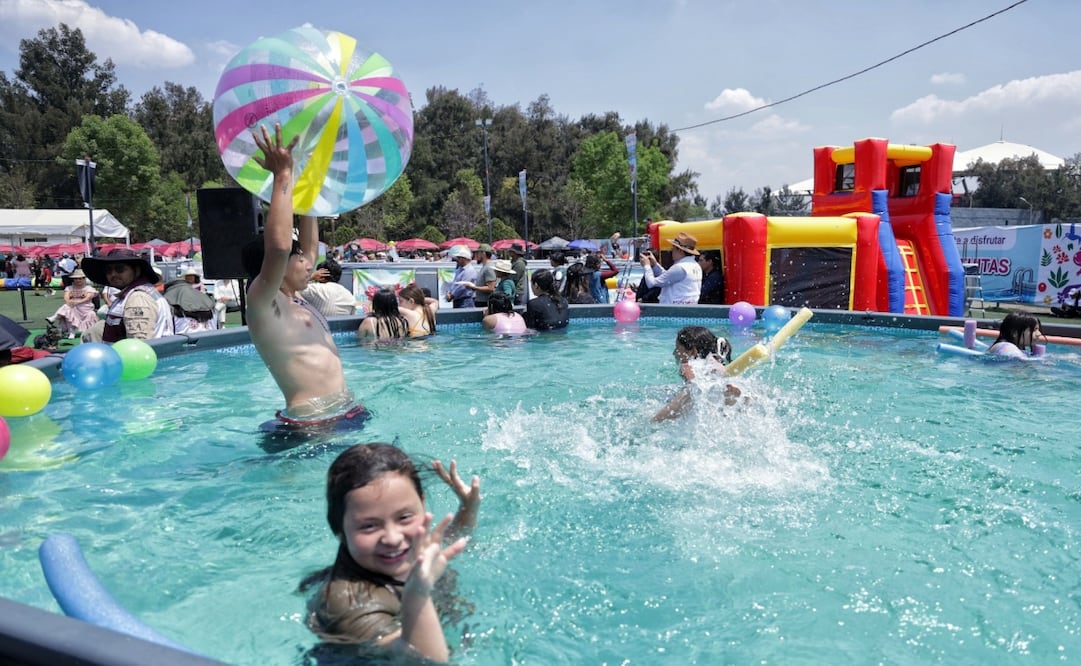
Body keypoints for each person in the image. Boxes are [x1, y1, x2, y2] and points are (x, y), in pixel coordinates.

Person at [300, 443, 480, 662]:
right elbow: (425, 660)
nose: (393, 538)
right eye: (369, 526)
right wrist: (417, 592)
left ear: (422, 503)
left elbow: (451, 546)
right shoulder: (347, 603)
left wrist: (468, 509)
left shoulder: (415, 551)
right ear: (339, 531)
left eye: (404, 517)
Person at [241, 123, 362, 430]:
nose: (308, 263)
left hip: (343, 411)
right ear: (277, 266)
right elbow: (279, 247)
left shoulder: (296, 299)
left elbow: (307, 247)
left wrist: (309, 180)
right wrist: (283, 175)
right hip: (310, 425)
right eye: (298, 259)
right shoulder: (264, 304)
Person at [80, 248, 174, 343]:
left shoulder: (138, 298)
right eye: (108, 270)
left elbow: (138, 343)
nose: (113, 274)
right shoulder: (138, 292)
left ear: (136, 270)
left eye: (119, 269)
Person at [653, 326, 741, 422]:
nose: (674, 353)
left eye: (677, 348)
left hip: (700, 391)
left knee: (656, 420)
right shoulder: (715, 362)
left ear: (692, 351)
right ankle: (729, 400)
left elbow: (693, 387)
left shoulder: (687, 366)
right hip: (721, 385)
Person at [640, 231, 703, 304]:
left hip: (674, 308)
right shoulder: (695, 265)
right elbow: (669, 276)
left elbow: (651, 283)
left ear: (679, 250)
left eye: (673, 247)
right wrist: (655, 264)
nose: (671, 250)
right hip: (688, 307)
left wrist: (647, 266)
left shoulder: (680, 267)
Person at [47, 269, 99, 339]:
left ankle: (55, 317)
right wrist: (69, 302)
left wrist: (78, 302)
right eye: (76, 279)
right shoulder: (69, 288)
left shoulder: (89, 288)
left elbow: (88, 297)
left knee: (90, 313)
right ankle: (71, 332)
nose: (78, 280)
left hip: (85, 308)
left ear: (84, 279)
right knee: (68, 309)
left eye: (80, 278)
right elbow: (66, 297)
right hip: (72, 307)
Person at [470, 244, 497, 309]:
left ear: (483, 253)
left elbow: (490, 288)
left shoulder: (488, 268)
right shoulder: (485, 267)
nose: (476, 255)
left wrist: (474, 287)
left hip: (485, 303)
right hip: (481, 302)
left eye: (478, 253)